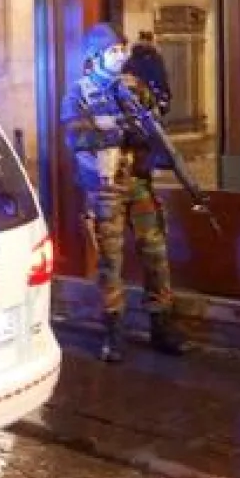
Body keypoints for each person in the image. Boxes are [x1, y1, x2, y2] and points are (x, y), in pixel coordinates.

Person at [61, 23, 189, 363]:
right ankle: (113, 331)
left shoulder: (135, 89)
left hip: (139, 183)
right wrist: (116, 132)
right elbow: (75, 138)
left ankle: (161, 324)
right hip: (105, 190)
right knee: (110, 262)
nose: (120, 56)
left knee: (156, 254)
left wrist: (146, 137)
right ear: (95, 56)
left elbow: (156, 127)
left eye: (122, 49)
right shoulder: (80, 93)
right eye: (114, 50)